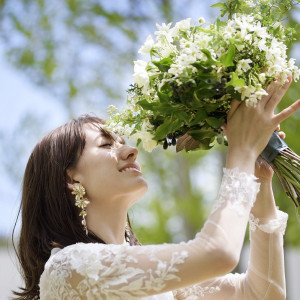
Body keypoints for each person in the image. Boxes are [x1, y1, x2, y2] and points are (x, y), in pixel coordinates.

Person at [13, 77, 299, 300]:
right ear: (71, 178)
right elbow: (218, 253)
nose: (131, 150)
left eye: (122, 140)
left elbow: (263, 293)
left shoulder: (148, 273)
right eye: (105, 144)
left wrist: (258, 179)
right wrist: (243, 150)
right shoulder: (71, 267)